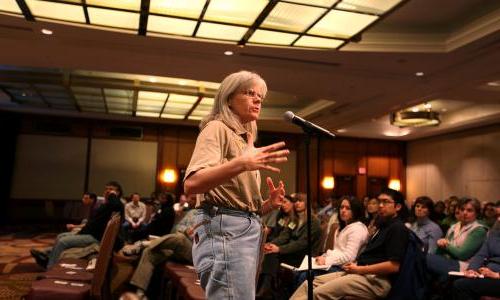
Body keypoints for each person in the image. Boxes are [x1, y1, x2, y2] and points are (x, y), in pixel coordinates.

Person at [183, 70, 289, 300]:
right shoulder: (216, 128)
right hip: (225, 230)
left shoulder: (242, 139)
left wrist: (267, 205)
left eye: (260, 95)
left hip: (239, 229)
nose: (258, 99)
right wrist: (242, 163)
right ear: (228, 98)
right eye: (250, 93)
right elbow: (192, 184)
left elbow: (238, 205)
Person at [290, 188, 410, 300]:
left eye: (386, 202)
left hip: (377, 281)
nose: (381, 205)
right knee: (308, 284)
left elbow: (394, 266)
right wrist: (357, 265)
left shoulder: (398, 228)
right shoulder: (383, 225)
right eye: (379, 201)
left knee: (317, 293)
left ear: (398, 206)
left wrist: (361, 269)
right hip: (362, 273)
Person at [31, 181, 124, 269]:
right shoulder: (107, 204)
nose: (108, 191)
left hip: (96, 237)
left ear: (117, 193)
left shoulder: (116, 203)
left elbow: (117, 205)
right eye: (106, 189)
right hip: (91, 233)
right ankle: (48, 257)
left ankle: (50, 268)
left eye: (111, 189)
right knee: (60, 236)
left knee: (62, 242)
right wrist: (80, 229)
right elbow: (92, 222)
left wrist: (112, 195)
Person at [129, 194, 197, 299]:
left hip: (194, 253)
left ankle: (143, 244)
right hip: (177, 246)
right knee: (150, 252)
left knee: (180, 238)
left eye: (193, 198)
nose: (189, 200)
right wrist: (185, 231)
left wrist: (187, 233)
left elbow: (198, 237)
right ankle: (140, 294)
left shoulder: (211, 216)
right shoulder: (191, 212)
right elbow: (177, 228)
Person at [294, 196, 368, 286]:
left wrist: (326, 260)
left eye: (348, 208)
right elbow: (337, 251)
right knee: (298, 272)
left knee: (304, 276)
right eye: (341, 207)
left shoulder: (357, 228)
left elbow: (349, 257)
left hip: (346, 268)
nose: (343, 210)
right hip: (335, 264)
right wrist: (323, 256)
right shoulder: (343, 227)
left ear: (356, 211)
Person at [427, 198, 488, 283]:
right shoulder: (454, 226)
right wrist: (440, 244)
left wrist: (446, 244)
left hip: (465, 266)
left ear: (476, 213)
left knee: (425, 258)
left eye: (469, 210)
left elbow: (462, 254)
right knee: (423, 267)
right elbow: (442, 250)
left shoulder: (479, 230)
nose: (465, 213)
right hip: (448, 261)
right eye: (462, 209)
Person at [452, 202, 500, 300]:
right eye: (498, 216)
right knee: (456, 280)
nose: (499, 219)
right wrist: (472, 269)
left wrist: (496, 275)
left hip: (497, 276)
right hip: (487, 274)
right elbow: (480, 255)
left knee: (461, 286)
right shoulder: (494, 233)